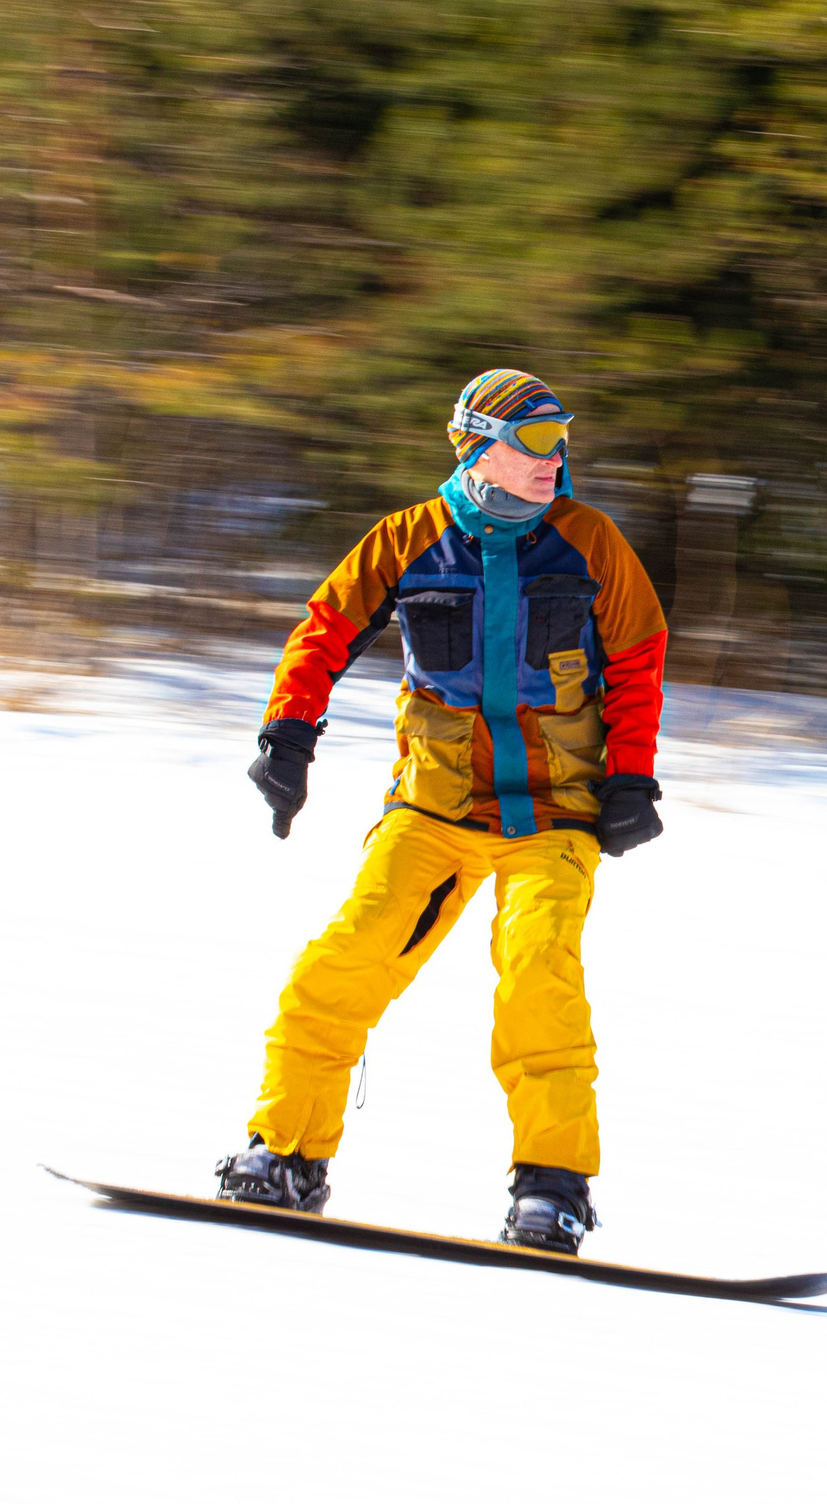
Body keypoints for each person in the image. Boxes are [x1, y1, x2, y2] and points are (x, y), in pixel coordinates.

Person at [214, 369, 668, 1254]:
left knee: (540, 974)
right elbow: (325, 629)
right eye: (535, 440)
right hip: (433, 808)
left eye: (560, 438)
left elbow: (640, 656)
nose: (555, 458)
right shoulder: (408, 539)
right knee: (345, 960)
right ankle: (285, 1153)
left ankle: (554, 1189)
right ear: (478, 448)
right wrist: (288, 737)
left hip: (554, 817)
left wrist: (632, 779)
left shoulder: (590, 542)